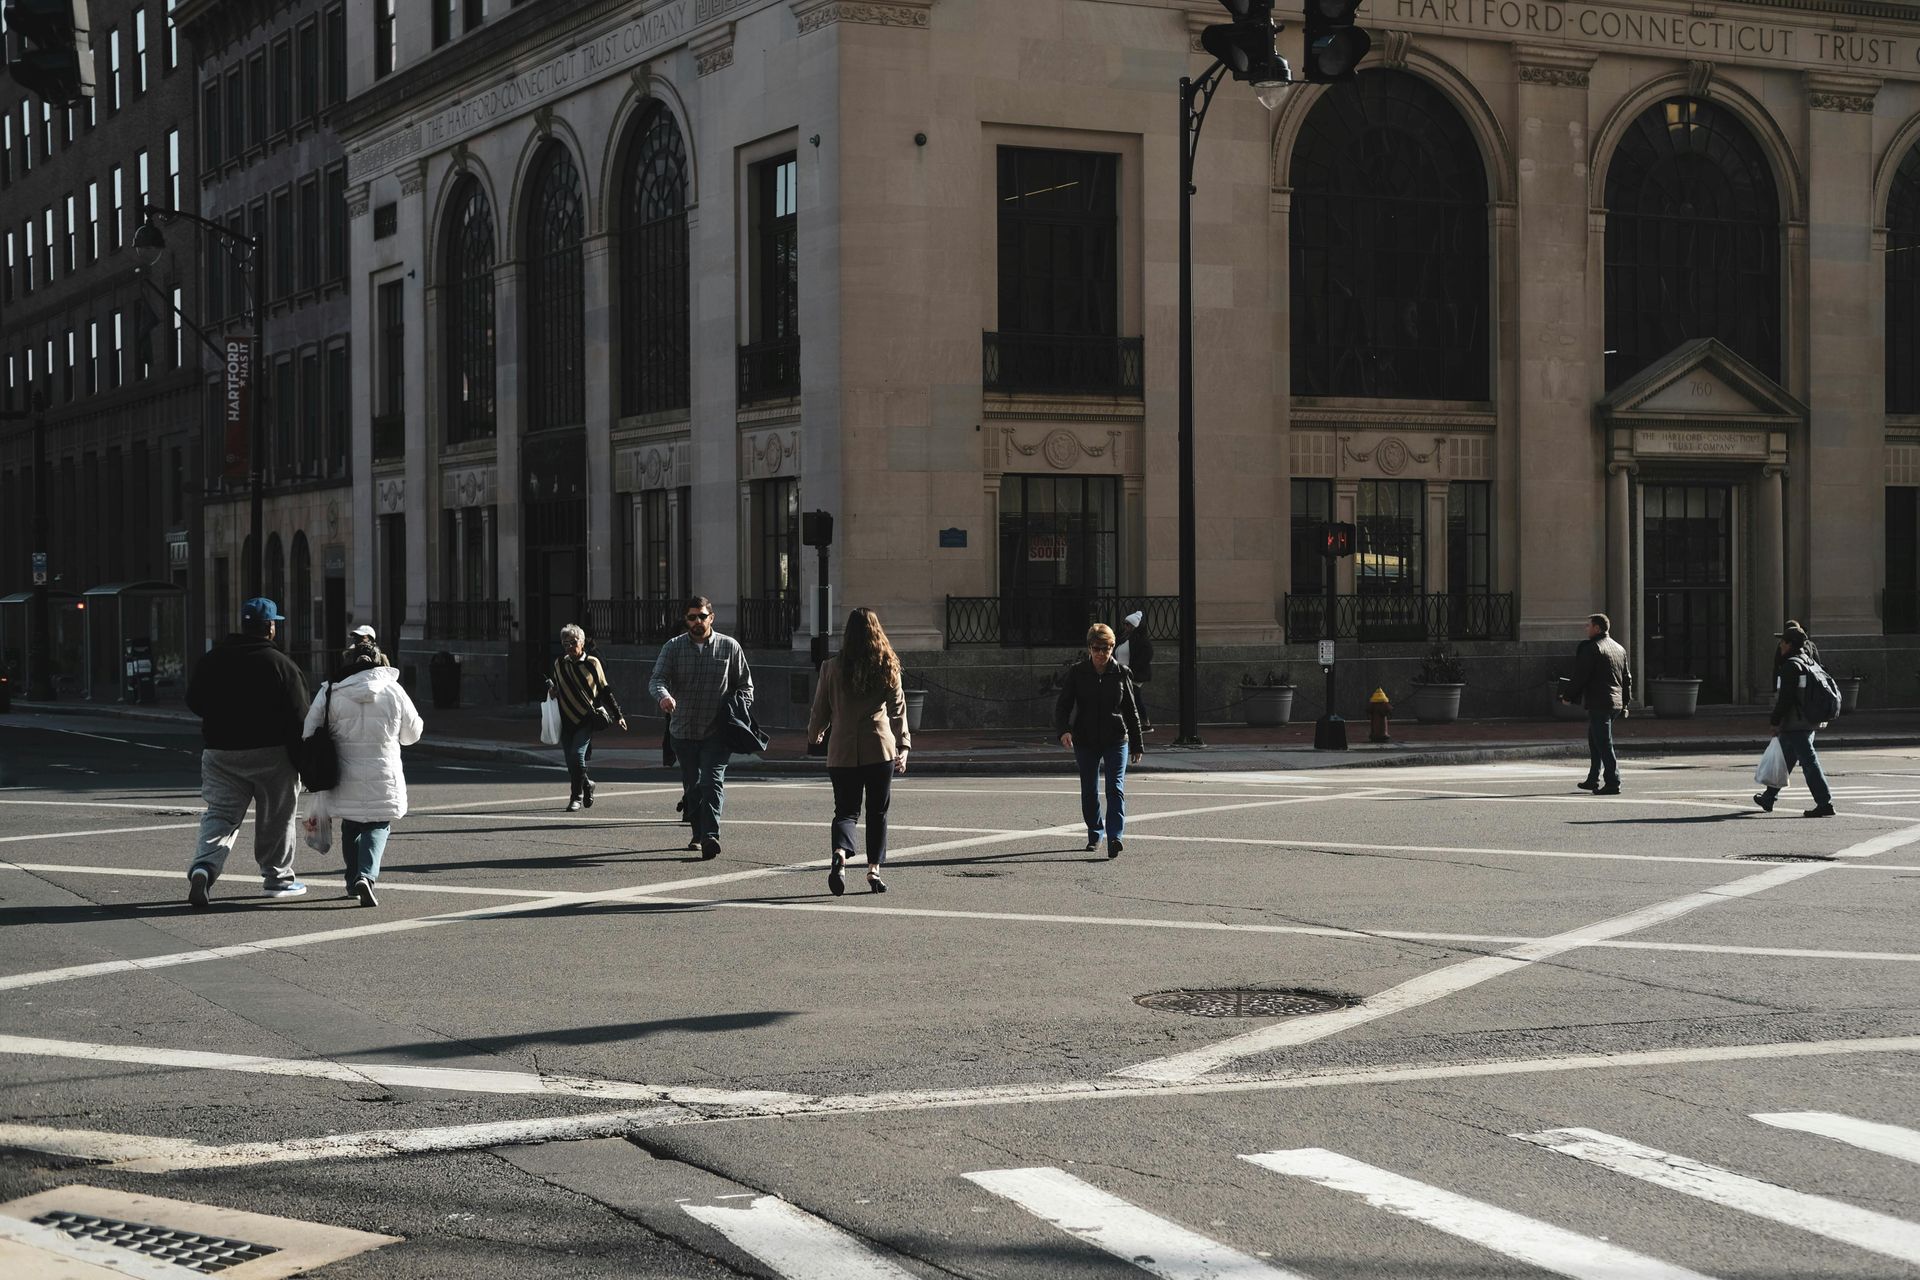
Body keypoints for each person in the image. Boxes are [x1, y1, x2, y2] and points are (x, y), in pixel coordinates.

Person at [183, 597, 313, 907]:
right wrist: (305, 761)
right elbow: (300, 717)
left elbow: (193, 701)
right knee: (277, 816)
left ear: (243, 625)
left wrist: (221, 717)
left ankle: (204, 866)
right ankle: (277, 878)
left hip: (221, 752)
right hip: (272, 753)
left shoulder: (212, 659)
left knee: (221, 814)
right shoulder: (281, 664)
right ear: (269, 627)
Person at [301, 641, 424, 906]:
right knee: (378, 824)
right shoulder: (394, 690)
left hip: (342, 771)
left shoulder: (331, 691)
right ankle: (366, 877)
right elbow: (412, 734)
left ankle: (351, 880)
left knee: (352, 824)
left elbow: (309, 730)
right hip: (383, 771)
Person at [808, 608, 912, 895]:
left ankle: (841, 853)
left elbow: (820, 708)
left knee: (845, 810)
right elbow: (898, 709)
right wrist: (903, 745)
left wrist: (814, 732)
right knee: (877, 812)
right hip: (878, 749)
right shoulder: (887, 664)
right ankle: (873, 871)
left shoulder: (830, 667)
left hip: (841, 749)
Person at [650, 596, 753, 859]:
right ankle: (697, 831)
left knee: (712, 782)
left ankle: (710, 836)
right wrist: (663, 696)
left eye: (702, 616)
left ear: (712, 617)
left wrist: (736, 708)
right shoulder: (673, 648)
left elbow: (745, 687)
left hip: (717, 732)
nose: (697, 621)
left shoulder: (730, 647)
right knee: (693, 787)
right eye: (692, 617)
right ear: (685, 620)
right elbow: (657, 679)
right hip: (682, 732)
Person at [1054, 622, 1144, 859]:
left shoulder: (1121, 673)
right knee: (1090, 790)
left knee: (1115, 789)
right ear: (1089, 648)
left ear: (1112, 648)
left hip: (1116, 739)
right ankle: (1095, 834)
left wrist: (1137, 743)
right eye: (1097, 648)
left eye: (1106, 648)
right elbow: (1063, 705)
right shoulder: (1078, 672)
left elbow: (1131, 710)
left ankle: (1115, 837)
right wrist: (1064, 730)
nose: (1101, 653)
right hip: (1085, 739)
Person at [1755, 620, 1837, 818]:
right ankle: (1769, 797)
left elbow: (1786, 698)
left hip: (1796, 722)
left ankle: (1824, 802)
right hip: (1806, 719)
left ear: (1790, 644)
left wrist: (1775, 721)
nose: (1780, 645)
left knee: (1809, 761)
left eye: (1783, 642)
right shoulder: (1808, 661)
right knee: (1786, 757)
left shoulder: (1791, 666)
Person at [548, 623, 627, 812]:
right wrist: (553, 691)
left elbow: (605, 689)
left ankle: (576, 797)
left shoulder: (593, 663)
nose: (569, 647)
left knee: (577, 756)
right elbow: (558, 687)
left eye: (573, 642)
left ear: (582, 643)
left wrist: (618, 715)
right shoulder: (560, 663)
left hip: (585, 719)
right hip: (565, 719)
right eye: (565, 643)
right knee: (571, 763)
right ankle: (588, 783)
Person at [1560, 612, 1632, 796]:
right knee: (1596, 741)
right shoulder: (1619, 648)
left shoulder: (1592, 648)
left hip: (1600, 702)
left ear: (1597, 628)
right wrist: (1625, 703)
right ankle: (1593, 778)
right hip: (1614, 703)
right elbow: (1627, 679)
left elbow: (1580, 676)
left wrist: (1568, 695)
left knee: (1603, 742)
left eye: (1588, 625)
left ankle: (1613, 782)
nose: (1586, 628)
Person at [1114, 611, 1155, 732]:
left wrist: (1132, 671)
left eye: (1127, 624)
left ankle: (1143, 723)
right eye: (1124, 624)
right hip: (1122, 673)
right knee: (1130, 698)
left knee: (1133, 697)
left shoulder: (1140, 640)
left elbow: (1145, 657)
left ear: (1133, 626)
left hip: (1134, 674)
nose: (1125, 627)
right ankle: (1141, 722)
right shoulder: (1123, 638)